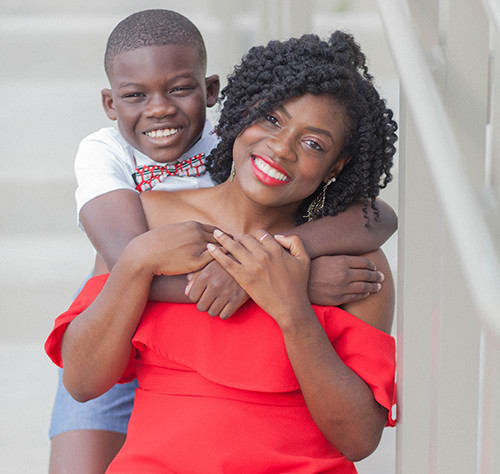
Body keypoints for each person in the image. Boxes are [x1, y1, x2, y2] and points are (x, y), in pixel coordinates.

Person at [46, 31, 398, 473]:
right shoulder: (148, 228)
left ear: (337, 166)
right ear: (243, 110)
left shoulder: (353, 268)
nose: (280, 148)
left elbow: (359, 439)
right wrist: (137, 263)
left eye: (313, 144)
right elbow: (82, 382)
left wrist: (292, 308)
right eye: (271, 120)